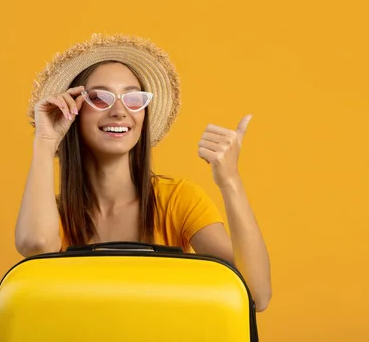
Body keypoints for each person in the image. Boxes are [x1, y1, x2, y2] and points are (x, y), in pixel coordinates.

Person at [15, 33, 272, 312]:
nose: (120, 111)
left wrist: (230, 180)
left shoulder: (178, 200)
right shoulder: (53, 216)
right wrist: (45, 141)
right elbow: (37, 245)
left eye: (133, 98)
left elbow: (256, 294)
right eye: (100, 98)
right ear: (73, 112)